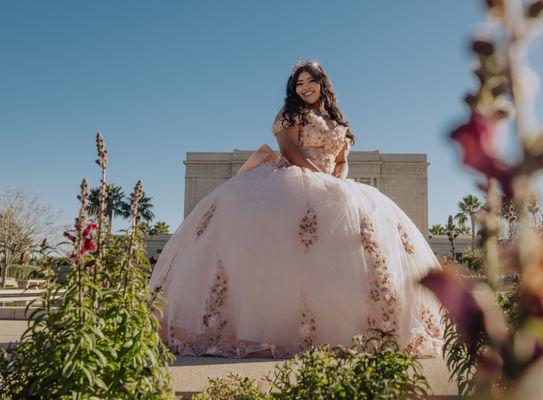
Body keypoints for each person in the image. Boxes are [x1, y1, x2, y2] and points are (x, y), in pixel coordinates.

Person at [149, 59, 443, 359]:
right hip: (294, 179)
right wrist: (318, 178)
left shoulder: (338, 121)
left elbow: (341, 160)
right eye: (298, 84)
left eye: (309, 81)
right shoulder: (290, 114)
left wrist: (337, 181)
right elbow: (289, 151)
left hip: (332, 183)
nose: (305, 88)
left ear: (322, 82)